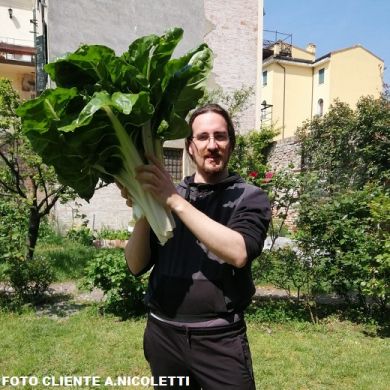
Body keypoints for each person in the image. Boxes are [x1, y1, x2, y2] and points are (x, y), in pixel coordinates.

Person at [120, 103, 271, 389]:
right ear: (190, 146)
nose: (212, 145)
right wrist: (142, 205)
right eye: (202, 137)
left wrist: (174, 201)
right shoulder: (168, 195)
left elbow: (239, 252)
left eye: (220, 136)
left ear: (231, 144)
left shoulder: (249, 197)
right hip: (163, 336)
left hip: (219, 340)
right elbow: (135, 264)